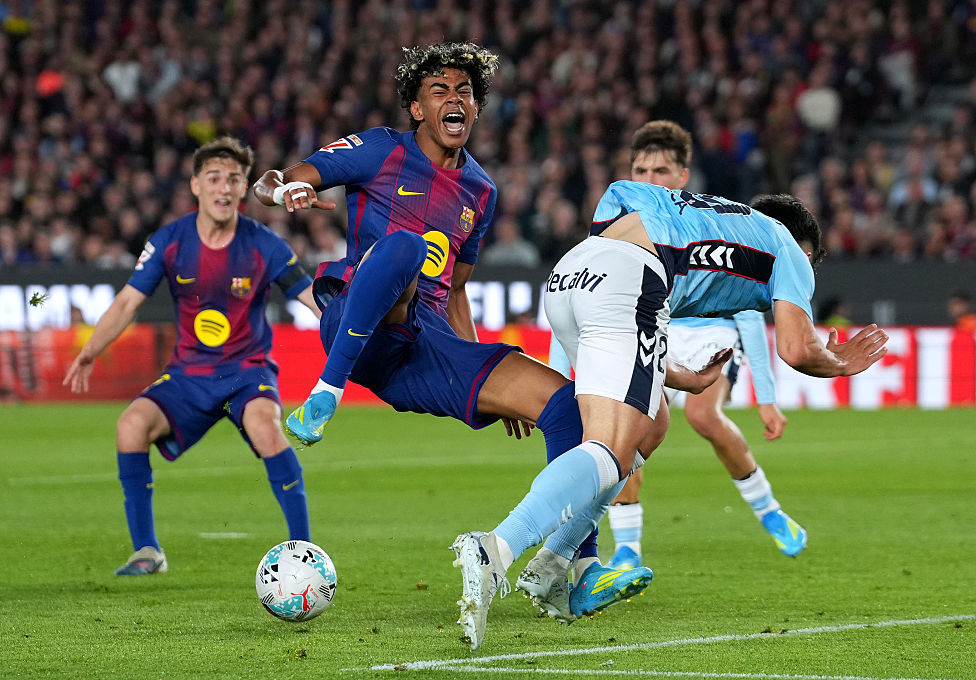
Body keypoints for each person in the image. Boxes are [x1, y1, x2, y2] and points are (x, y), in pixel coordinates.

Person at [252, 44, 724, 643]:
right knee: (404, 248)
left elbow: (454, 290)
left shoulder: (479, 188)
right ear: (416, 107)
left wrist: (482, 372)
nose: (455, 100)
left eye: (465, 92)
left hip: (424, 346)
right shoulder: (380, 148)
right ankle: (326, 390)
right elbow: (276, 179)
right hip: (357, 321)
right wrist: (285, 193)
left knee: (567, 407)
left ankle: (573, 570)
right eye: (440, 90)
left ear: (476, 107)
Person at [451, 184, 888, 647]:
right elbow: (797, 349)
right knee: (610, 448)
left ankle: (553, 563)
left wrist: (687, 377)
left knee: (651, 425)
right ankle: (496, 547)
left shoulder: (713, 216)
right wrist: (840, 363)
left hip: (572, 274)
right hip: (630, 280)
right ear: (807, 251)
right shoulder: (790, 250)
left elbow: (616, 195)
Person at [63, 137, 321, 576]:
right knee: (130, 426)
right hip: (189, 374)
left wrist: (350, 330)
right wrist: (90, 351)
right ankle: (147, 551)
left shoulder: (265, 244)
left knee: (266, 428)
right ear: (196, 185)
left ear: (243, 189)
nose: (224, 188)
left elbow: (312, 298)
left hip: (246, 372)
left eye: (233, 180)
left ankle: (305, 553)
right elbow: (128, 301)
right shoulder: (169, 241)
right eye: (214, 178)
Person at [575, 121, 804, 571]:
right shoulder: (620, 229)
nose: (649, 180)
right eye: (641, 171)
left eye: (660, 171)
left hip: (712, 334)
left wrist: (767, 397)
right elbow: (586, 297)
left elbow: (748, 307)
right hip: (654, 330)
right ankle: (628, 549)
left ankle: (769, 510)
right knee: (630, 428)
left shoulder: (709, 219)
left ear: (682, 176)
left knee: (703, 415)